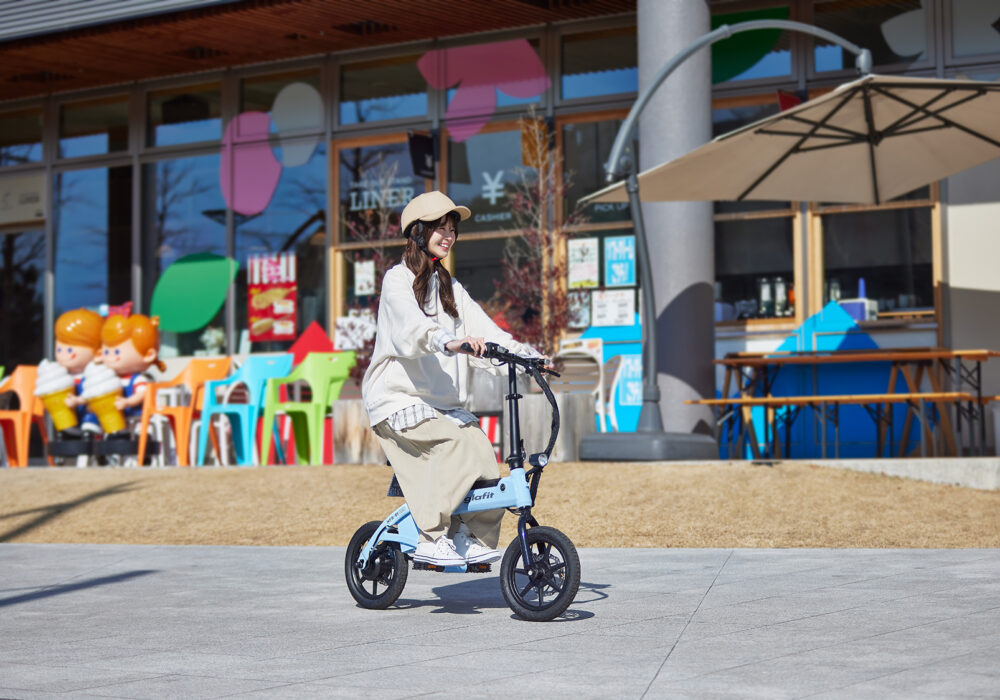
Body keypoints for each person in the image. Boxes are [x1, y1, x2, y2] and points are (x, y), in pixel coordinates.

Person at [362, 191, 542, 567]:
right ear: (417, 232)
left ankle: (468, 535)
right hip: (398, 399)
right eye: (439, 228)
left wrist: (529, 357)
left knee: (481, 451)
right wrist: (448, 340)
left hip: (440, 403)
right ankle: (430, 537)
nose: (448, 235)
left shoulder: (450, 289)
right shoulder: (398, 280)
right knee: (453, 446)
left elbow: (488, 331)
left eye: (451, 229)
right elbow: (411, 329)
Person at [99, 313, 166, 425]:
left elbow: (142, 394)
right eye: (106, 351)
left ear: (148, 355)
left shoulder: (138, 379)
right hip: (118, 418)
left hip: (137, 415)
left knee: (139, 430)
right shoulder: (110, 378)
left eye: (116, 352)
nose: (110, 356)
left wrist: (128, 402)